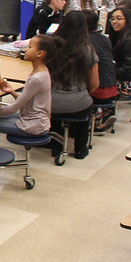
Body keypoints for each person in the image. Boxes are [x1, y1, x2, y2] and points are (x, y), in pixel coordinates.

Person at [0, 35, 54, 164]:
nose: (26, 49)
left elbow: (13, 108)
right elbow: (26, 102)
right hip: (33, 119)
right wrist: (11, 91)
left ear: (40, 53)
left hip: (33, 125)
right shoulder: (41, 72)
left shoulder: (37, 78)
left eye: (30, 47)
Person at [48, 12, 99, 159]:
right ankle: (80, 149)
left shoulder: (51, 46)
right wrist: (82, 92)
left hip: (52, 103)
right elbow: (95, 83)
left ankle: (56, 146)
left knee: (55, 116)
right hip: (78, 103)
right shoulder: (87, 50)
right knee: (86, 110)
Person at [82, 10, 118, 132]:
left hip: (98, 89)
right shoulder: (105, 39)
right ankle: (102, 117)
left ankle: (94, 124)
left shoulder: (84, 41)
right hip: (112, 86)